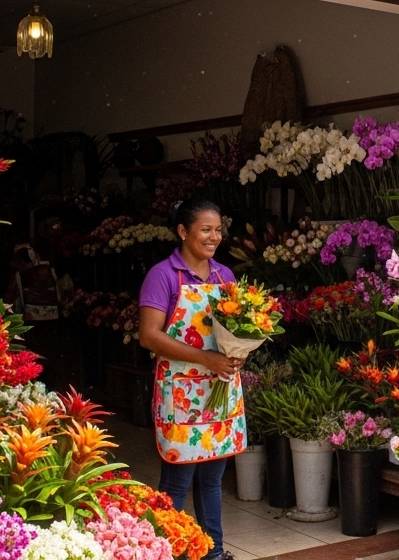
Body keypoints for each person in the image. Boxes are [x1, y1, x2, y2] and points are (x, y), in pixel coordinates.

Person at [138, 198, 243, 560]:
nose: (214, 237)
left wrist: (239, 352)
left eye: (218, 230)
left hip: (219, 390)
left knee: (212, 480)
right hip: (180, 396)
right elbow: (149, 335)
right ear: (183, 231)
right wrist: (206, 359)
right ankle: (164, 552)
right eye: (205, 230)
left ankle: (213, 553)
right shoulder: (163, 275)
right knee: (176, 482)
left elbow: (238, 329)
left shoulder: (224, 276)